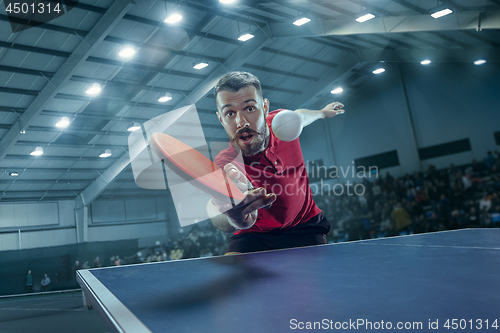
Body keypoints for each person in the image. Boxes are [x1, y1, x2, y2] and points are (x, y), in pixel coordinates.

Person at [206, 71, 345, 254]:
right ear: (221, 120)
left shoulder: (283, 122)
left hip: (304, 226)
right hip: (255, 235)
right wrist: (234, 218)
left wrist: (322, 113)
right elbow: (214, 208)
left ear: (265, 108)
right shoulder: (226, 162)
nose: (241, 122)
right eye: (230, 113)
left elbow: (301, 116)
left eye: (249, 108)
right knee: (232, 277)